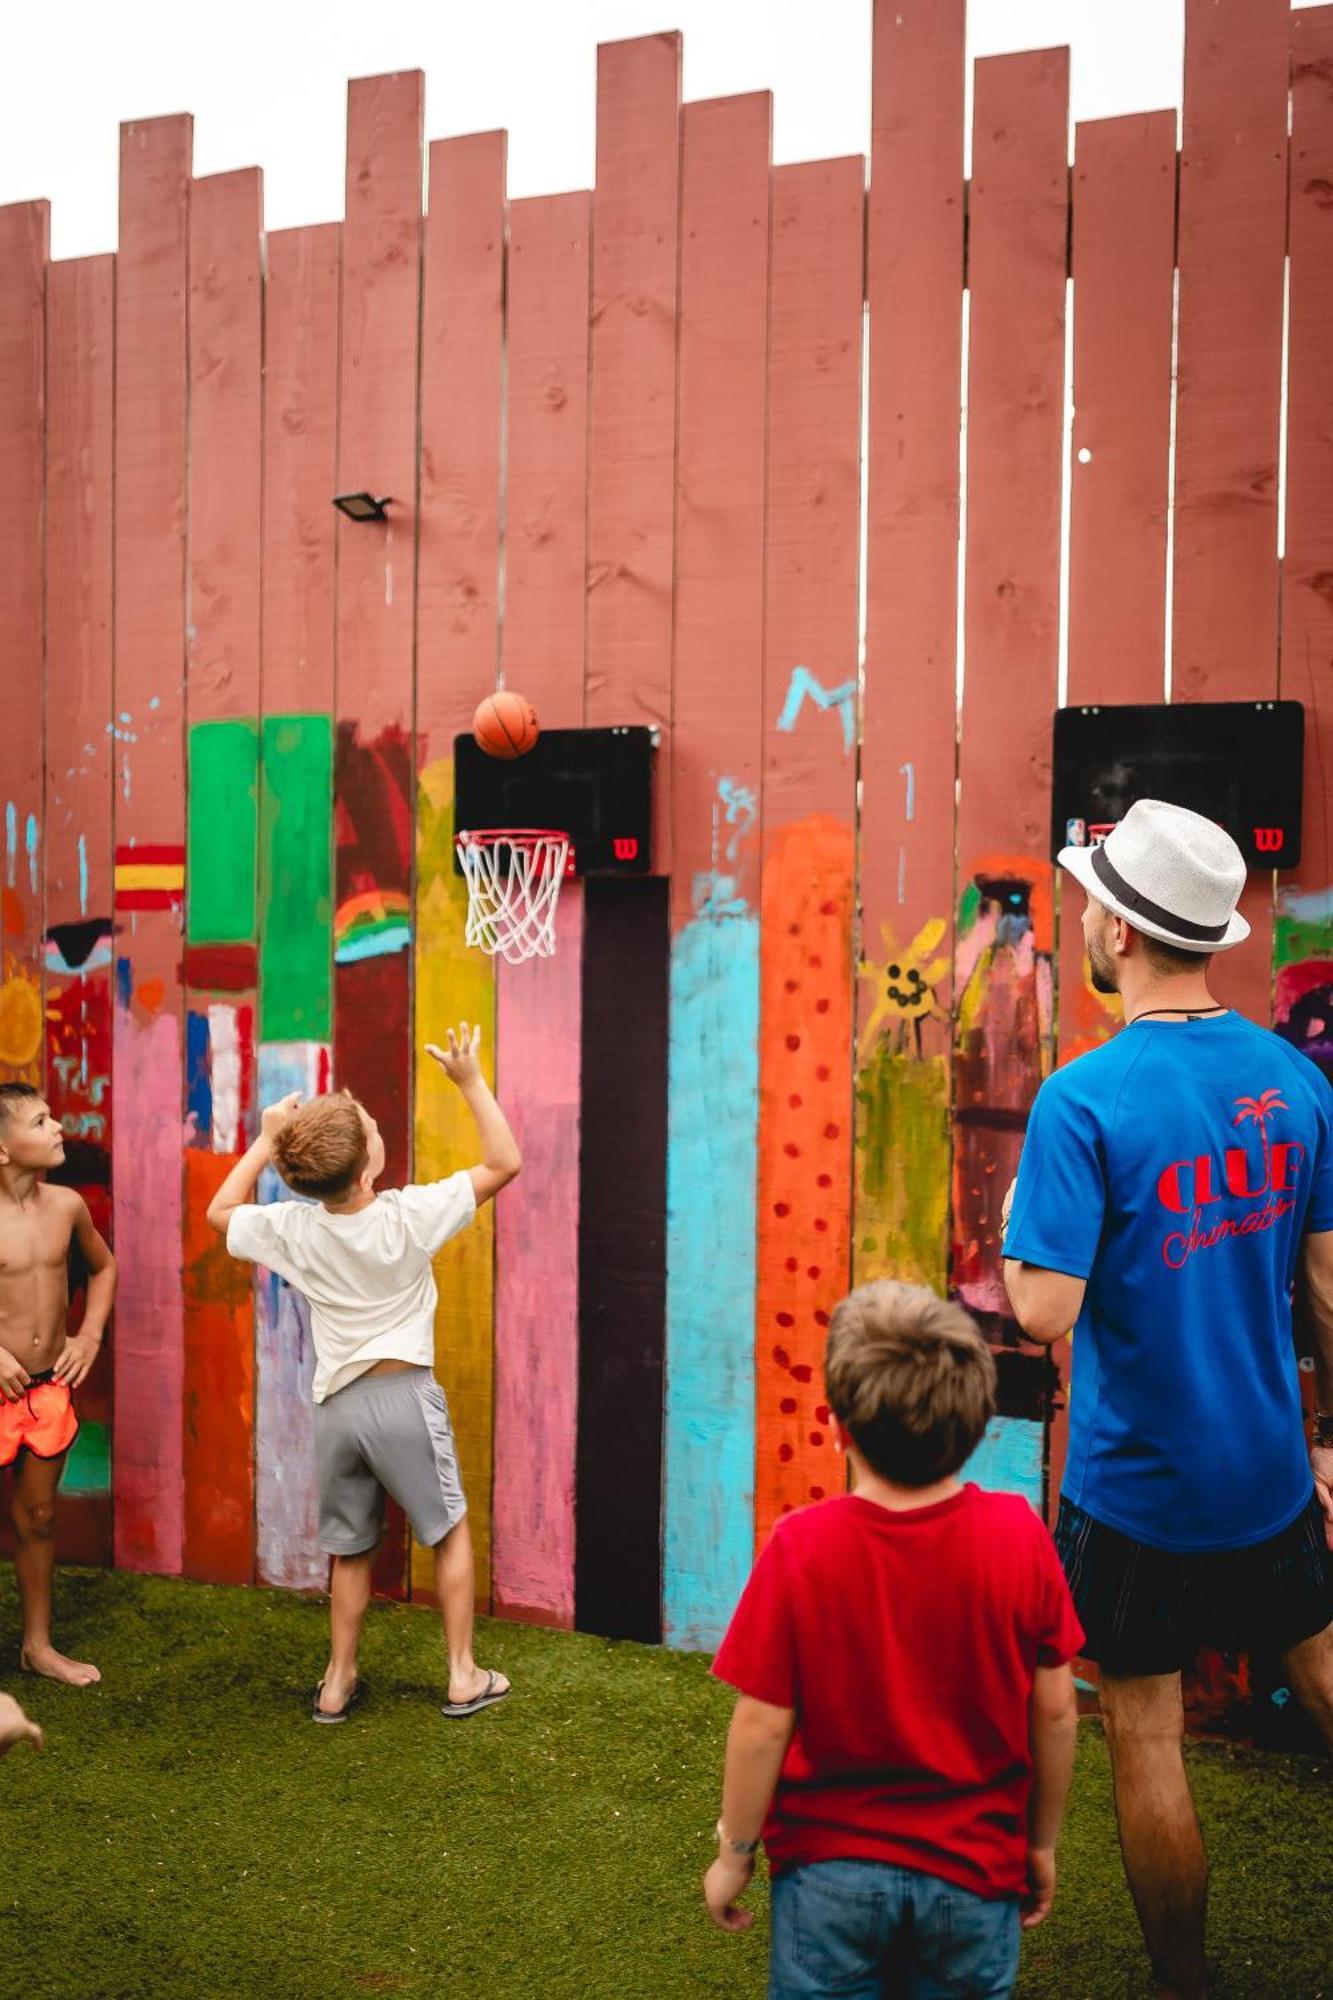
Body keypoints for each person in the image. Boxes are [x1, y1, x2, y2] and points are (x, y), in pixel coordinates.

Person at [1002, 798, 1333, 2000]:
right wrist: (1329, 1438)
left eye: (1096, 898)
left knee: (1147, 1735)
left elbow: (1041, 1310)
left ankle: (1186, 1988)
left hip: (1133, 1493)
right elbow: (1329, 1288)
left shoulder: (1081, 1100)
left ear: (1122, 932)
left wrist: (1013, 1242)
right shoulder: (1293, 1081)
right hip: (1270, 1470)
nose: (1086, 913)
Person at [703, 1280, 1083, 2000]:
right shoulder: (1019, 1537)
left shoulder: (799, 1548)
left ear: (837, 1426)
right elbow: (1057, 1711)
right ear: (975, 1423)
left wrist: (735, 1852)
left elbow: (759, 1726)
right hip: (974, 1875)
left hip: (827, 1880)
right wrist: (1038, 1842)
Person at [208, 1025, 520, 1724]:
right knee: (448, 1532)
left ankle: (337, 1683)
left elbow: (219, 1212)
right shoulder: (409, 1216)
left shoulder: (295, 1228)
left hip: (337, 1410)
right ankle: (463, 1675)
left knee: (350, 1550)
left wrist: (265, 1139)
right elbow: (503, 1162)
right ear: (370, 1166)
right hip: (402, 1397)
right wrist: (469, 1082)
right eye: (373, 1128)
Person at [0, 1082, 116, 1687]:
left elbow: (103, 1267)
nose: (56, 1128)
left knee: (38, 1514)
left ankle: (37, 1647)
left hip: (45, 1390)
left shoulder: (66, 1206)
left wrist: (89, 1336)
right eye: (40, 1122)